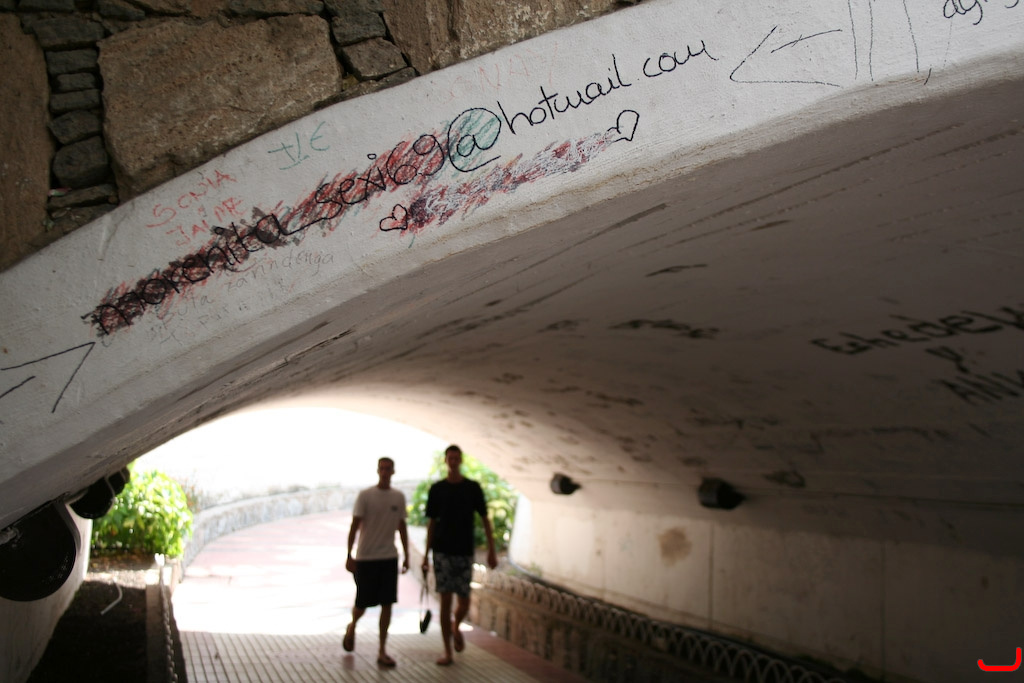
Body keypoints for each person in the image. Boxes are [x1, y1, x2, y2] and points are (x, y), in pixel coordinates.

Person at [421, 444, 498, 666]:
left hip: (464, 552)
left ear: (461, 460)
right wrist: (426, 555)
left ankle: (455, 627)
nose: (453, 462)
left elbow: (485, 519)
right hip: (442, 552)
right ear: (446, 461)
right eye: (450, 458)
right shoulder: (437, 489)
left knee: (464, 601)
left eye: (456, 458)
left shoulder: (472, 488)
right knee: (445, 601)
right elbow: (431, 524)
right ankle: (447, 651)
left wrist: (492, 549)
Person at [343, 457, 409, 667]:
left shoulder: (398, 497)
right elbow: (354, 526)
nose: (385, 472)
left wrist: (407, 555)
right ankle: (352, 626)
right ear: (378, 471)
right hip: (366, 558)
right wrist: (349, 554)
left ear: (393, 472)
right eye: (382, 468)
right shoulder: (365, 496)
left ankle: (382, 650)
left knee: (387, 604)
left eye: (388, 469)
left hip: (389, 557)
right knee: (362, 603)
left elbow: (402, 527)